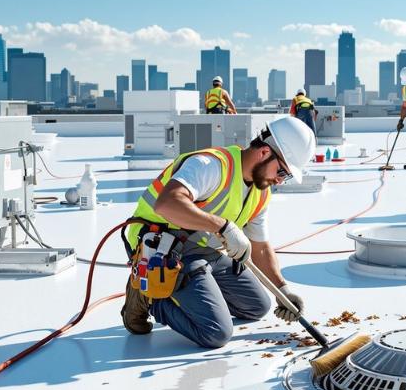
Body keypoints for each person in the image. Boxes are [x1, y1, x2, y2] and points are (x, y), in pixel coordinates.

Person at [120, 117, 316, 348]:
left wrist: (282, 289)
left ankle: (197, 291)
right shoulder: (211, 165)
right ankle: (150, 298)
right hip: (164, 245)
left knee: (257, 307)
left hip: (204, 249)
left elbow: (261, 247)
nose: (280, 181)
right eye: (283, 172)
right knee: (215, 332)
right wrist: (222, 226)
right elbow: (167, 204)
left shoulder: (261, 193)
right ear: (264, 153)